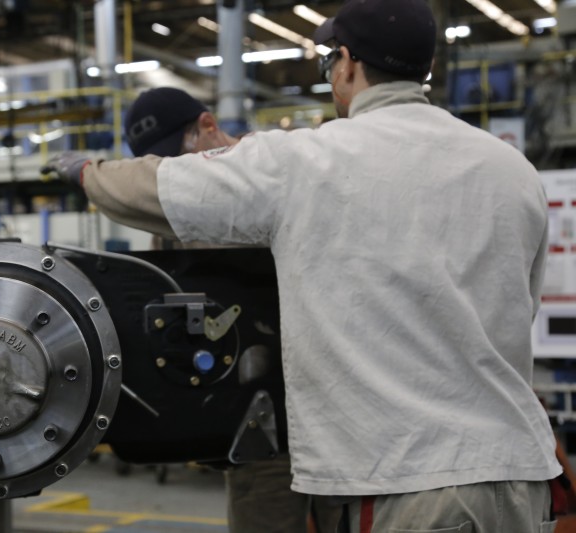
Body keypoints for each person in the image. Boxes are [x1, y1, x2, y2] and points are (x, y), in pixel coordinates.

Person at [45, 0, 562, 530]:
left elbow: (157, 188)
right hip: (520, 475)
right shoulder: (512, 170)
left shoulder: (308, 161)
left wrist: (87, 171)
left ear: (346, 64)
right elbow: (516, 312)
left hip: (411, 480)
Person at [122, 86, 311, 533]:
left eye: (176, 155)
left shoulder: (277, 175)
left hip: (330, 411)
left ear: (208, 126)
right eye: (159, 164)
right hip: (257, 429)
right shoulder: (173, 212)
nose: (173, 173)